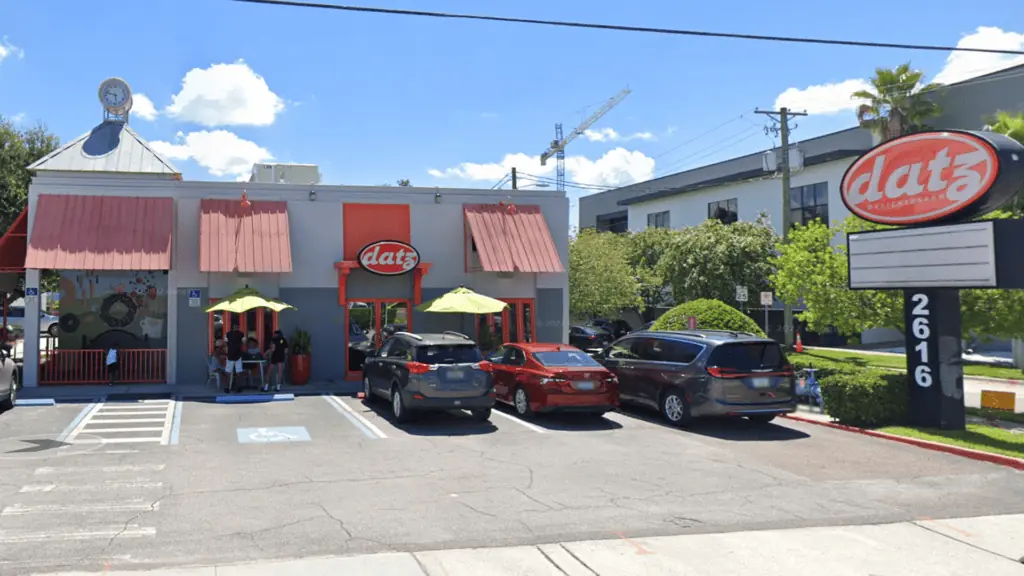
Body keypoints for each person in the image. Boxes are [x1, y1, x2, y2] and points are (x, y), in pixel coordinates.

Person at [224, 320, 246, 393]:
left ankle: (229, 387)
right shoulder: (241, 334)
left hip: (232, 354)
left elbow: (225, 343)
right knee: (237, 371)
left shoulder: (228, 334)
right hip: (236, 354)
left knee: (230, 371)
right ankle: (236, 387)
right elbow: (244, 342)